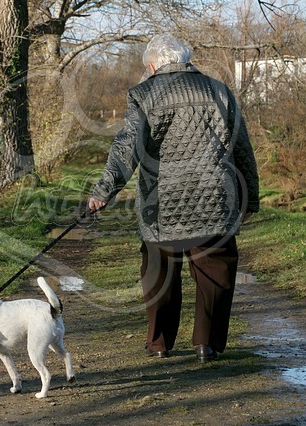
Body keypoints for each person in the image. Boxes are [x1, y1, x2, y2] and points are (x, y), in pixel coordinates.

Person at [88, 33, 259, 363]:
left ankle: (160, 343)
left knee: (159, 273)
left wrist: (103, 192)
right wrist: (249, 199)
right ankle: (206, 345)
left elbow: (127, 149)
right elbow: (242, 150)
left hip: (161, 204)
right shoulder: (220, 91)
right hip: (216, 200)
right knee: (215, 273)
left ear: (152, 66)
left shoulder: (144, 93)